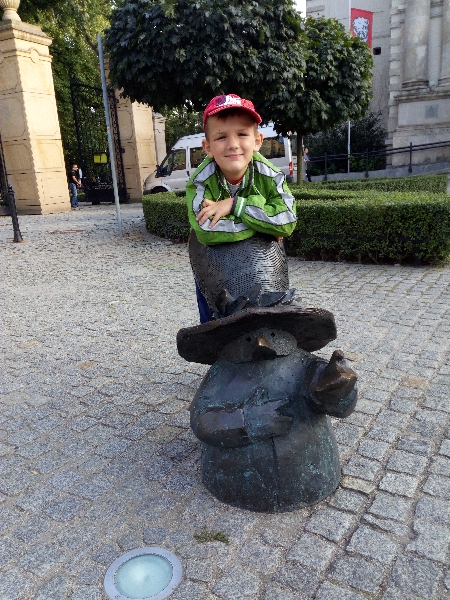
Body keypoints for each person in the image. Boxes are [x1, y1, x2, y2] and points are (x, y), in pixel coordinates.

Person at [186, 94, 297, 323]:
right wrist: (265, 225)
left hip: (264, 263)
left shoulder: (271, 175)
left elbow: (287, 220)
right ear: (207, 147)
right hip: (215, 264)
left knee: (274, 312)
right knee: (214, 319)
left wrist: (235, 205)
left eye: (242, 134)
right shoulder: (200, 182)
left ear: (257, 141)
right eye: (221, 137)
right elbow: (206, 231)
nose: (233, 144)